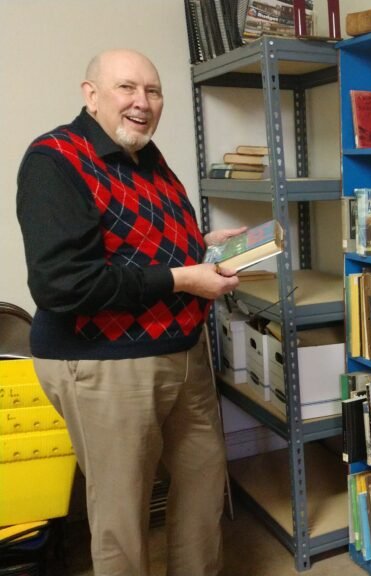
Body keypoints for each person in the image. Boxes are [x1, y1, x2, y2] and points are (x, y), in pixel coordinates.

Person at [16, 49, 242, 576]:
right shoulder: (54, 160)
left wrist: (203, 246)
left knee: (204, 490)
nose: (143, 103)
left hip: (182, 348)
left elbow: (141, 246)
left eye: (154, 91)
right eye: (126, 88)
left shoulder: (146, 155)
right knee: (122, 514)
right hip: (105, 365)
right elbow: (63, 284)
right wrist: (185, 278)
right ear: (90, 95)